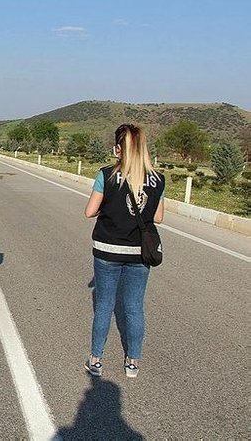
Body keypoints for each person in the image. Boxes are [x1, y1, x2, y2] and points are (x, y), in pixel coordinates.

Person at [84, 123, 165, 378]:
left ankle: (96, 359)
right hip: (140, 253)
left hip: (107, 250)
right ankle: (132, 362)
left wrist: (108, 207)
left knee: (105, 305)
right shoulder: (158, 178)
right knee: (134, 307)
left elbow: (89, 211)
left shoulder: (106, 174)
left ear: (119, 149)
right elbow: (159, 217)